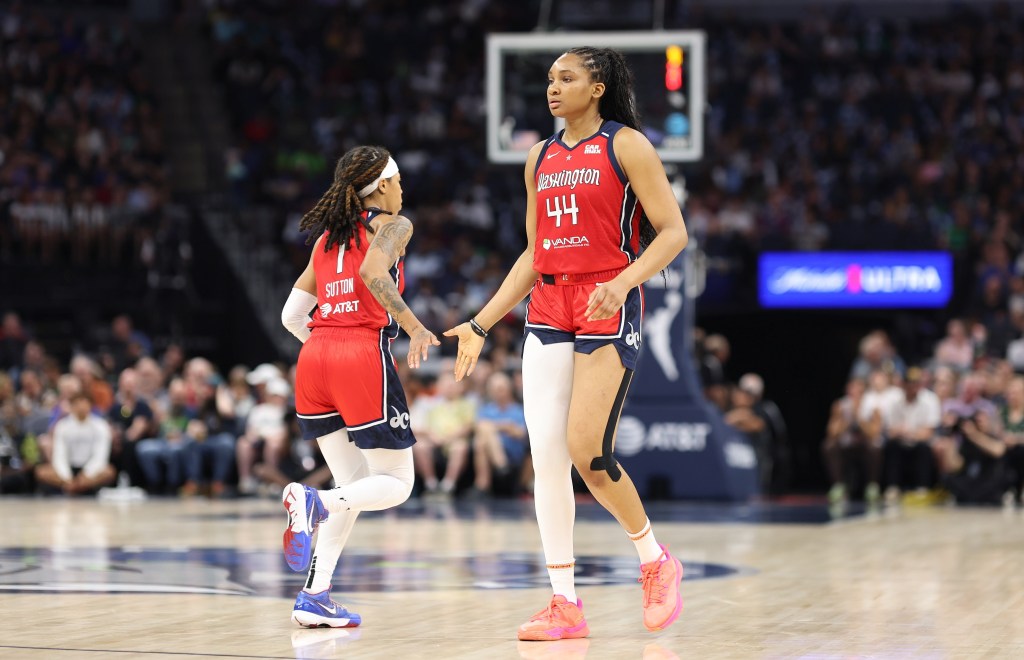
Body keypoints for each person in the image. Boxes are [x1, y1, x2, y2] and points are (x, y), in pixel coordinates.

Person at [444, 47, 689, 640]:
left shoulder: (625, 145)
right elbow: (535, 254)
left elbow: (674, 233)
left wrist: (624, 281)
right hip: (550, 305)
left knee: (587, 451)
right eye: (550, 79)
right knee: (547, 459)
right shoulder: (539, 157)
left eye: (567, 77)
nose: (553, 88)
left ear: (597, 86)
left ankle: (656, 562)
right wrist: (480, 323)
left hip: (608, 299)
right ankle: (564, 603)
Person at [277, 145, 438, 628]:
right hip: (358, 354)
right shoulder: (394, 225)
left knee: (355, 486)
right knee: (397, 483)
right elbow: (372, 274)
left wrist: (325, 343)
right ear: (383, 185)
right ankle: (313, 501)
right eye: (399, 179)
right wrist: (413, 326)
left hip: (314, 359)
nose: (404, 189)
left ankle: (315, 594)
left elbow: (290, 317)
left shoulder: (327, 238)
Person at [35, 392, 116, 495]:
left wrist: (86, 475)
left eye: (85, 403)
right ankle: (71, 487)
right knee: (41, 472)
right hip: (68, 469)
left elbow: (100, 456)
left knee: (109, 472)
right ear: (72, 406)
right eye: (77, 404)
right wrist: (67, 477)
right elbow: (60, 455)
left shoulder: (101, 426)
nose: (81, 407)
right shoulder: (62, 426)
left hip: (90, 471)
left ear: (91, 405)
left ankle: (78, 487)